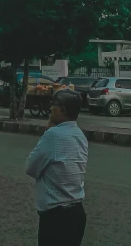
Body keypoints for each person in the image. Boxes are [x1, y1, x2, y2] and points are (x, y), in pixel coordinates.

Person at [25, 89, 88, 246]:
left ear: (63, 110)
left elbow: (30, 168)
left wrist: (48, 129)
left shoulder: (53, 135)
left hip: (56, 217)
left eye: (53, 104)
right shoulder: (80, 135)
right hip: (77, 214)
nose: (50, 108)